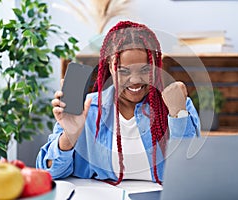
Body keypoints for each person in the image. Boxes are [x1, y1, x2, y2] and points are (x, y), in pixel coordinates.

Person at [36, 21, 200, 185]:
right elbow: (49, 172)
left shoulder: (177, 104)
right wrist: (69, 137)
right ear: (110, 67)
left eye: (144, 69)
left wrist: (178, 115)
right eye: (124, 71)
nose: (135, 80)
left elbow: (192, 172)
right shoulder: (86, 109)